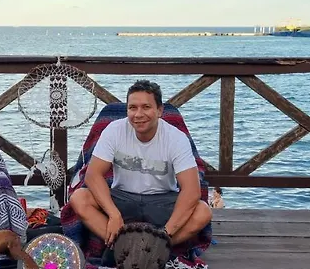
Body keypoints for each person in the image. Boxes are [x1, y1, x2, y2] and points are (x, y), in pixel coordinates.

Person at [70, 79, 212, 251]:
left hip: (162, 200)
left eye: (146, 107)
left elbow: (192, 190)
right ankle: (124, 247)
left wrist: (166, 233)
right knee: (79, 198)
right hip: (123, 199)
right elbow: (93, 175)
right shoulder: (114, 130)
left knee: (203, 211)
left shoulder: (176, 138)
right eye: (133, 108)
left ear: (159, 111)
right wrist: (113, 214)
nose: (138, 114)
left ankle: (157, 247)